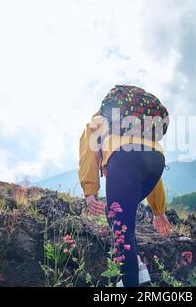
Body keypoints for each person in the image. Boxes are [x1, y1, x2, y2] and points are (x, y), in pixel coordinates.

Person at [78, 85, 174, 287]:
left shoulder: (97, 121)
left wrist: (90, 192)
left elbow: (89, 155)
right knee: (119, 215)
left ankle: (130, 283)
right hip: (156, 160)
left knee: (121, 226)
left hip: (123, 159)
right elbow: (144, 164)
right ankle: (139, 272)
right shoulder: (139, 128)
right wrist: (158, 211)